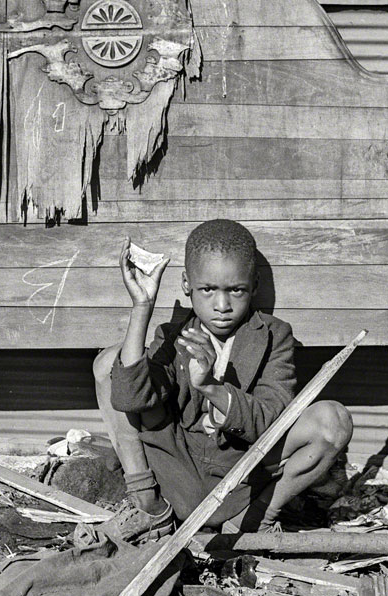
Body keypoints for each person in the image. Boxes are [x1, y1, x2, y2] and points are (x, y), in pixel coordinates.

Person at [93, 219, 353, 534]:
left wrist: (211, 387)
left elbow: (270, 421)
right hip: (175, 472)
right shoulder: (173, 336)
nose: (222, 306)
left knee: (333, 420)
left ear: (254, 285)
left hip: (242, 476)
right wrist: (142, 306)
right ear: (187, 284)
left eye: (236, 290)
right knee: (111, 361)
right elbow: (129, 398)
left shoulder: (275, 336)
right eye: (208, 290)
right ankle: (148, 504)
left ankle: (257, 517)